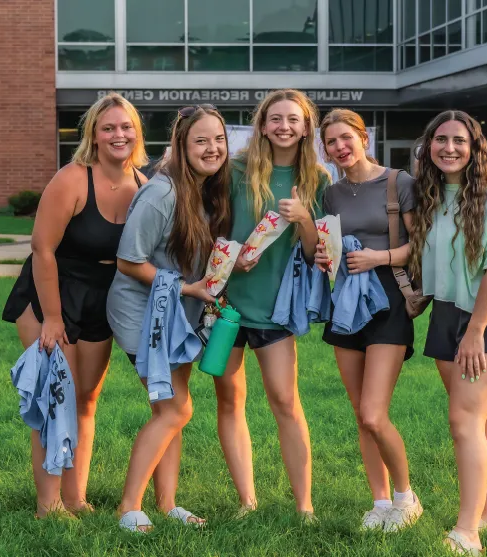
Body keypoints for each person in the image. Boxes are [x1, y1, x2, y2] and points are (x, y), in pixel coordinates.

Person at [1, 92, 148, 518]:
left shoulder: (143, 184)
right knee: (54, 397)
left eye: (126, 127)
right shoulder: (72, 178)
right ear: (94, 136)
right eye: (108, 128)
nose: (118, 135)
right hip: (52, 290)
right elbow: (42, 248)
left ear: (136, 133)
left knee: (85, 398)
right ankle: (48, 505)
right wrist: (51, 317)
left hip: (103, 296)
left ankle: (75, 498)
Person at [408, 110, 487, 555]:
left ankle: (467, 532)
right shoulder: (433, 195)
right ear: (429, 147)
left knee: (463, 420)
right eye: (440, 139)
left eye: (459, 140)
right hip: (446, 313)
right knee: (483, 418)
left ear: (475, 146)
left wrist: (476, 330)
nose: (449, 148)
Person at [107, 104, 231, 533]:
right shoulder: (162, 192)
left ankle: (167, 504)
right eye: (201, 140)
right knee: (175, 410)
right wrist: (188, 289)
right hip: (142, 314)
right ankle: (129, 508)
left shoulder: (204, 189)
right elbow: (128, 261)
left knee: (171, 410)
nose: (212, 148)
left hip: (174, 315)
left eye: (219, 139)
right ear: (181, 144)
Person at [216, 89, 330, 520]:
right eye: (275, 118)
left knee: (285, 401)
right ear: (262, 124)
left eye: (294, 119)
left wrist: (303, 217)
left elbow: (314, 252)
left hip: (274, 308)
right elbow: (211, 227)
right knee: (229, 399)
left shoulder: (318, 178)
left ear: (305, 128)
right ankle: (247, 501)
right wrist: (228, 257)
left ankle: (305, 506)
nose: (284, 126)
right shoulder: (234, 171)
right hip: (226, 304)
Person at [316, 109, 423, 531]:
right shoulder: (332, 195)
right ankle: (379, 503)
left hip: (389, 302)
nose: (340, 147)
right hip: (347, 303)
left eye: (346, 138)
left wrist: (380, 256)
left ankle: (405, 497)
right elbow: (329, 247)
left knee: (375, 413)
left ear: (364, 138)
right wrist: (326, 256)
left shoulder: (399, 183)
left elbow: (422, 245)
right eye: (331, 143)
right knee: (361, 413)